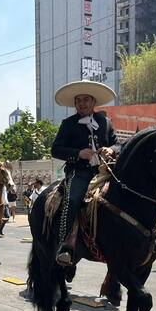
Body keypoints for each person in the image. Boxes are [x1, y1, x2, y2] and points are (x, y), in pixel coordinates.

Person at [51, 80, 118, 266]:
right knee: (72, 200)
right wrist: (78, 154)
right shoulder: (68, 124)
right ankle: (65, 244)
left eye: (86, 99)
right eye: (78, 100)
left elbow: (118, 143)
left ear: (93, 101)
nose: (82, 103)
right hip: (79, 172)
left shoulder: (105, 122)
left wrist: (111, 150)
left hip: (104, 171)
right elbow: (55, 150)